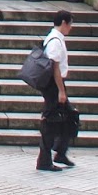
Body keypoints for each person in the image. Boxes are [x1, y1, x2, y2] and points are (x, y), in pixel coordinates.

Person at [36, 10, 76, 171]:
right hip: (54, 85)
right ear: (64, 23)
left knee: (69, 117)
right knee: (50, 121)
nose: (71, 28)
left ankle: (60, 152)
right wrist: (61, 90)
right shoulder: (55, 41)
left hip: (55, 84)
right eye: (70, 24)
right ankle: (45, 160)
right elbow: (55, 67)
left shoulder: (56, 38)